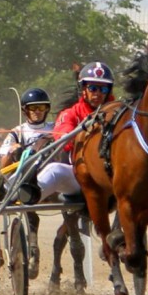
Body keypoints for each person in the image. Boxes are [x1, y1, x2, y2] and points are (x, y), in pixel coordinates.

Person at [33, 62, 116, 202]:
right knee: (54, 170)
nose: (97, 94)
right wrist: (69, 135)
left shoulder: (117, 114)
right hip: (80, 176)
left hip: (112, 178)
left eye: (103, 90)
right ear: (83, 89)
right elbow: (64, 137)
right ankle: (23, 196)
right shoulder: (71, 113)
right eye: (93, 88)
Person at [0, 87, 54, 279]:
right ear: (25, 111)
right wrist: (12, 151)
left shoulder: (56, 129)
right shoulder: (16, 132)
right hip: (23, 177)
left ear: (47, 109)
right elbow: (2, 165)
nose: (38, 111)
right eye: (33, 108)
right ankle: (32, 248)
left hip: (51, 176)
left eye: (42, 107)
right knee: (25, 188)